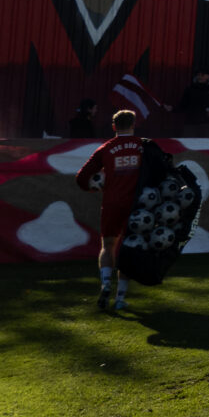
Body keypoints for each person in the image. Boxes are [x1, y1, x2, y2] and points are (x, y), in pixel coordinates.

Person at [74, 109, 146, 311]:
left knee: (108, 246)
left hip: (111, 203)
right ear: (133, 125)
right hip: (136, 204)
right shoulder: (143, 146)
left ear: (114, 127)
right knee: (128, 249)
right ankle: (120, 298)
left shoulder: (105, 149)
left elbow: (81, 177)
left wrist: (93, 186)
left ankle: (106, 284)